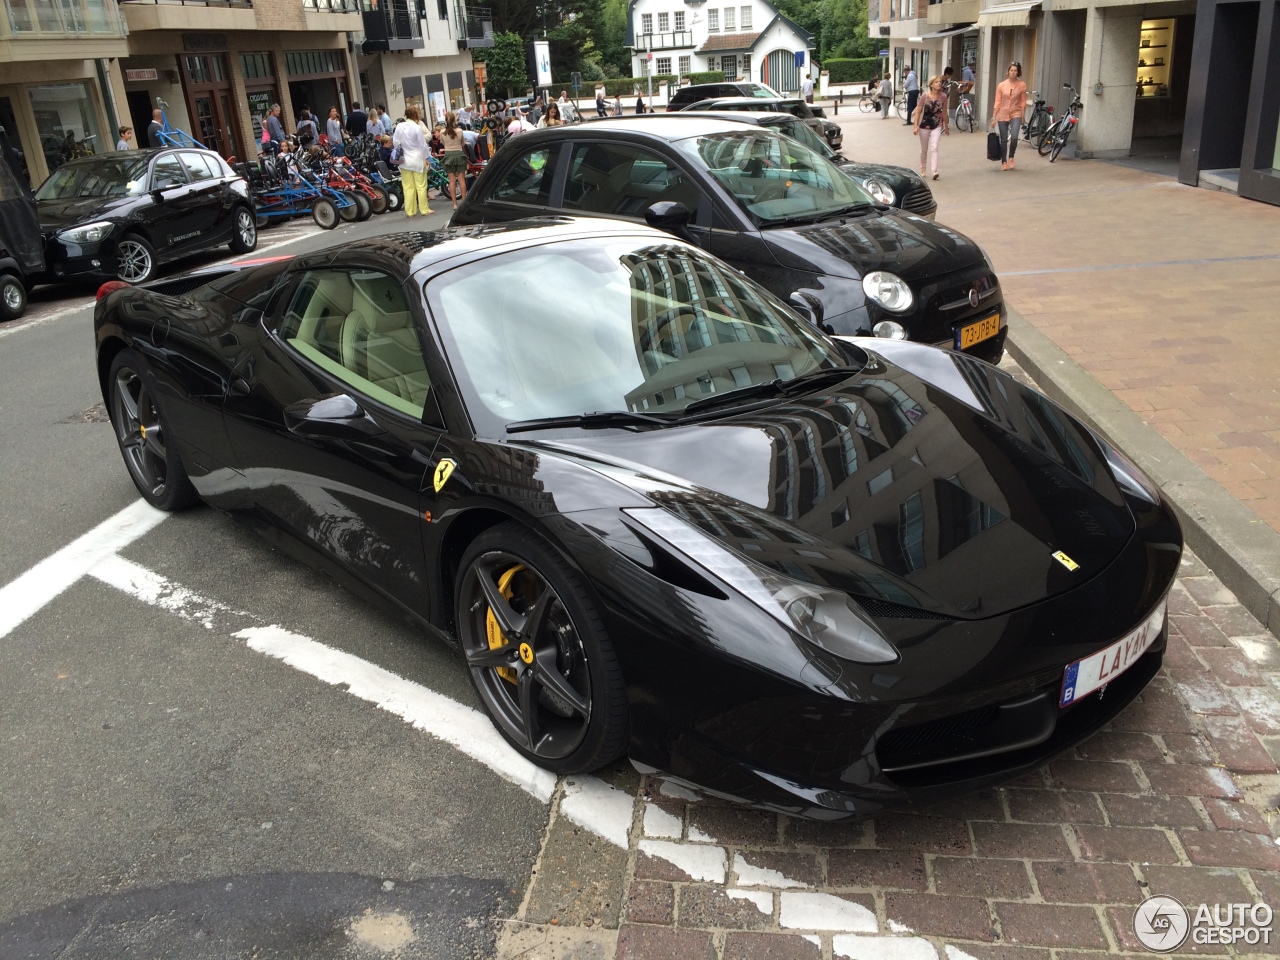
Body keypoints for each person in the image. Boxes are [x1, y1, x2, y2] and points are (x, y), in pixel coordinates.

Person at [393, 105, 431, 217]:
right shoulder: (417, 127)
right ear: (415, 115)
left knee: (407, 187)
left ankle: (410, 211)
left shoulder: (399, 126)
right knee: (421, 185)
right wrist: (426, 158)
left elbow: (395, 143)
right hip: (417, 159)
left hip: (404, 160)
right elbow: (423, 145)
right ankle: (424, 209)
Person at [990, 61, 1027, 170]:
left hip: (1016, 113)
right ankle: (1004, 161)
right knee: (1004, 139)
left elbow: (1023, 101)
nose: (1013, 73)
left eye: (1015, 71)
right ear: (1008, 72)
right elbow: (997, 101)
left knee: (1015, 137)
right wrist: (994, 117)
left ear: (1018, 72)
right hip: (1002, 114)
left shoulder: (1022, 85)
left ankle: (1011, 156)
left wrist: (1023, 116)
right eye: (1011, 70)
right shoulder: (1001, 85)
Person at [912, 74, 949, 180]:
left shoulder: (943, 96)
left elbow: (945, 112)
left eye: (940, 82)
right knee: (924, 149)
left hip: (936, 125)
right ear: (931, 84)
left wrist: (946, 126)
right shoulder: (925, 96)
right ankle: (923, 168)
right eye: (937, 82)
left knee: (934, 147)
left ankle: (934, 171)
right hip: (924, 126)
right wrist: (915, 126)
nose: (939, 83)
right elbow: (918, 111)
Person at [439, 111, 468, 209]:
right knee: (461, 180)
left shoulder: (442, 132)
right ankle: (464, 201)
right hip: (459, 155)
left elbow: (442, 143)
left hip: (448, 156)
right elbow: (463, 143)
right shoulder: (459, 131)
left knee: (451, 181)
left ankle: (455, 204)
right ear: (454, 120)